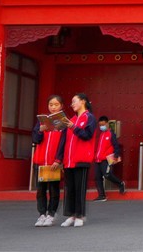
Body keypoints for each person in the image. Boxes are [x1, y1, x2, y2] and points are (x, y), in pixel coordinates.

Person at [56, 93, 96, 227]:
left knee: (80, 189)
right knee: (70, 189)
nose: (72, 104)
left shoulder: (89, 118)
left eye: (74, 101)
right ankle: (71, 215)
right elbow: (63, 141)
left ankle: (80, 215)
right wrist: (59, 158)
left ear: (83, 101)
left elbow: (87, 135)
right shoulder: (71, 119)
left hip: (81, 159)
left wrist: (73, 127)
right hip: (68, 160)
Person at [32, 95, 64, 227]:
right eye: (51, 104)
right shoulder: (41, 121)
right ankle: (41, 214)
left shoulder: (63, 123)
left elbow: (63, 143)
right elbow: (35, 139)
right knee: (40, 190)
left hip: (53, 162)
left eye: (56, 104)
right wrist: (40, 131)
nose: (53, 107)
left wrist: (58, 160)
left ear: (61, 106)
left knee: (54, 190)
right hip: (40, 161)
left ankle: (51, 214)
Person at [93, 115, 126, 201]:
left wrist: (116, 155)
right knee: (97, 177)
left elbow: (116, 145)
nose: (101, 126)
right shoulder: (101, 134)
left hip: (106, 159)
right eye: (100, 125)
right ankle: (101, 195)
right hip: (98, 159)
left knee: (107, 175)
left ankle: (120, 183)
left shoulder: (111, 134)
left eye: (103, 124)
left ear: (107, 124)